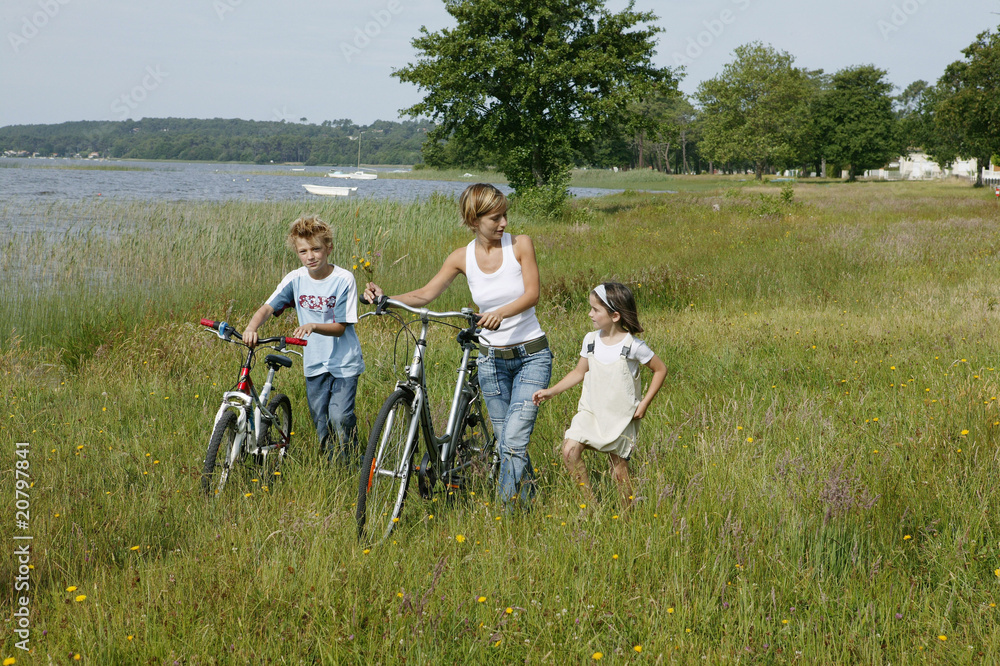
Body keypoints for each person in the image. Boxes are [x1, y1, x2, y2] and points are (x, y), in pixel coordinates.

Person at [363, 183, 551, 506]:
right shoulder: (461, 258)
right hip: (491, 361)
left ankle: (504, 519)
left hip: (531, 356)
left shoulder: (520, 246)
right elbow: (426, 294)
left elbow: (532, 293)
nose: (504, 223)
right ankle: (529, 500)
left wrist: (500, 313)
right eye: (495, 218)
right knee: (508, 441)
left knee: (512, 442)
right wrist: (386, 299)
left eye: (505, 215)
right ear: (473, 219)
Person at [532, 282, 666, 507]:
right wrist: (551, 391)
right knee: (569, 451)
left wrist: (644, 403)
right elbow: (579, 371)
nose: (590, 313)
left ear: (614, 315)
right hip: (591, 411)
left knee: (619, 473)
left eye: (595, 309)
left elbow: (660, 369)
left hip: (621, 417)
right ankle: (590, 507)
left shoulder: (633, 346)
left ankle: (627, 517)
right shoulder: (591, 341)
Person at [245, 215, 364, 464]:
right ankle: (333, 466)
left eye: (316, 249)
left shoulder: (343, 280)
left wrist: (312, 326)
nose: (310, 256)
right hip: (314, 363)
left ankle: (352, 460)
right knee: (321, 421)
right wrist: (252, 327)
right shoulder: (296, 279)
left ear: (329, 248)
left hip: (344, 362)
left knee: (340, 417)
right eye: (303, 251)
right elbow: (268, 308)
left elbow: (341, 327)